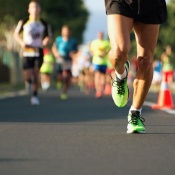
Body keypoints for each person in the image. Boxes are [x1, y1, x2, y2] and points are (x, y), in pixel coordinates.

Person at [105, 0, 167, 133]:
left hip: (150, 4)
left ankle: (135, 112)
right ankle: (120, 76)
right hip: (120, 2)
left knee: (146, 60)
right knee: (118, 53)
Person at [14, 0, 52, 105]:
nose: (34, 10)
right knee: (28, 74)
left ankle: (35, 95)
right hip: (27, 51)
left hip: (38, 51)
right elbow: (16, 34)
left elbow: (49, 36)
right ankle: (28, 82)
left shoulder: (44, 23)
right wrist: (22, 43)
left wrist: (45, 41)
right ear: (29, 10)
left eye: (36, 7)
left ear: (39, 9)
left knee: (36, 73)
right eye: (32, 7)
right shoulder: (24, 22)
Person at [52, 25, 78, 100]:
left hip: (68, 59)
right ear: (62, 32)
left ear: (69, 32)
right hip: (60, 59)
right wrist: (56, 53)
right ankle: (59, 81)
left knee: (67, 77)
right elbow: (54, 48)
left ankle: (64, 92)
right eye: (64, 30)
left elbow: (76, 50)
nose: (66, 32)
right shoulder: (58, 39)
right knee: (60, 76)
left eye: (67, 30)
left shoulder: (73, 41)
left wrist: (73, 54)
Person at [90, 31, 110, 98]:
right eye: (99, 35)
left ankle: (102, 88)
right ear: (97, 35)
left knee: (103, 77)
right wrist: (96, 55)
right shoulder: (94, 42)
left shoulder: (106, 43)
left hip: (104, 62)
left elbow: (109, 50)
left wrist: (104, 54)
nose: (100, 36)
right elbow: (91, 51)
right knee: (97, 75)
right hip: (96, 62)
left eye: (101, 35)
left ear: (103, 35)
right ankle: (98, 91)